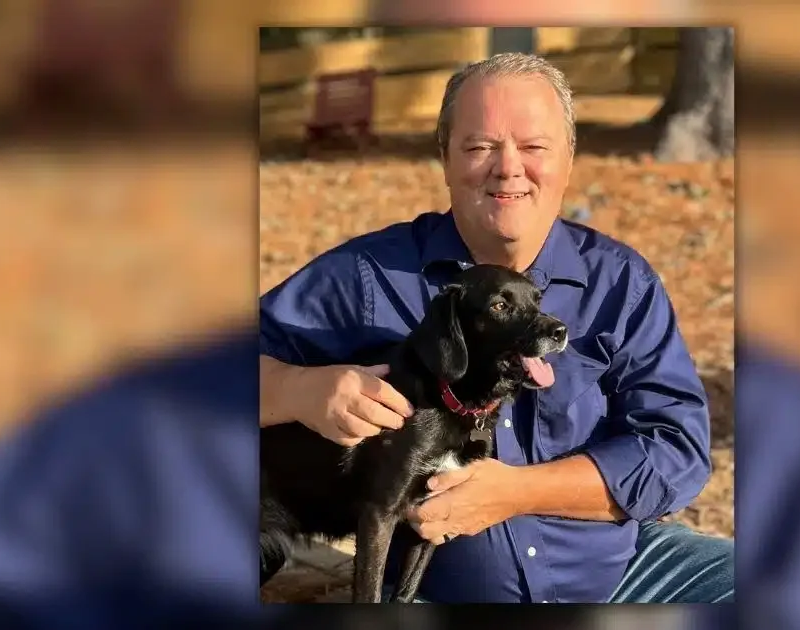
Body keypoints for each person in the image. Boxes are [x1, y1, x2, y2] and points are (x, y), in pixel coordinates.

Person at [259, 52, 732, 604]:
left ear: (569, 159)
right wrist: (293, 389)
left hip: (624, 574)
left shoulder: (621, 284)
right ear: (445, 158)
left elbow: (678, 449)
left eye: (534, 147)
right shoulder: (367, 276)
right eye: (481, 146)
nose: (508, 168)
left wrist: (518, 493)